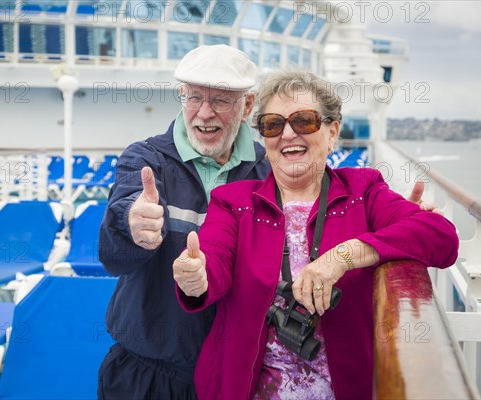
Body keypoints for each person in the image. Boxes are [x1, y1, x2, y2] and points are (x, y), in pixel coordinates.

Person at [172, 70, 459, 400]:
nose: (288, 134)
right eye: (273, 124)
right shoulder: (233, 201)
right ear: (264, 139)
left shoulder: (363, 191)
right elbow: (213, 261)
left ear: (332, 131)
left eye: (304, 121)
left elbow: (442, 238)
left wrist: (345, 255)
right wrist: (196, 278)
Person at [97, 45, 271, 399]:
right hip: (146, 378)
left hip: (236, 379)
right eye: (194, 97)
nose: (204, 114)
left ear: (247, 107)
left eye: (221, 101)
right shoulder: (145, 158)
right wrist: (132, 224)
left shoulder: (268, 171)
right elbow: (114, 258)